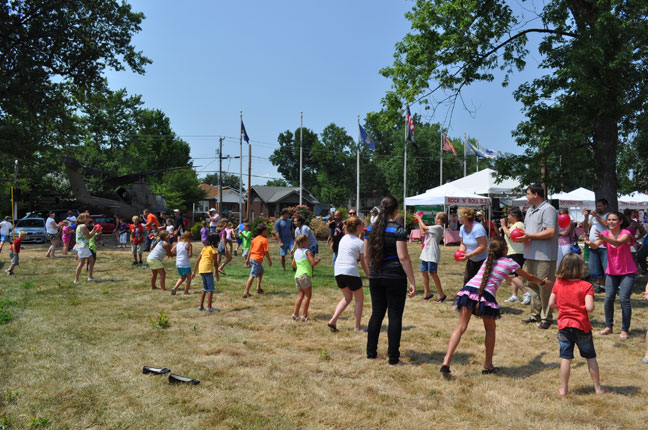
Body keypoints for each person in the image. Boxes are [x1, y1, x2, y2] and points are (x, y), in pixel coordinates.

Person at [440, 237, 550, 375]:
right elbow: (529, 277)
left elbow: (496, 274)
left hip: (468, 291)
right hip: (485, 295)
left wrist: (507, 277)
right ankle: (488, 364)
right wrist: (543, 283)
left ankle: (446, 361)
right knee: (490, 329)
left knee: (460, 327)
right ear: (505, 250)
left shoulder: (488, 259)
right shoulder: (510, 262)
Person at [364, 195, 416, 366]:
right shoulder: (398, 230)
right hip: (395, 277)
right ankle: (393, 358)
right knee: (394, 317)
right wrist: (412, 281)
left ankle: (371, 353)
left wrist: (369, 272)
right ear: (395, 210)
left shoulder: (369, 230)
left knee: (376, 314)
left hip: (376, 275)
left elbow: (367, 255)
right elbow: (403, 257)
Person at [548, 253, 608, 397]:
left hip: (564, 326)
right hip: (581, 326)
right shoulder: (586, 286)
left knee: (566, 358)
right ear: (580, 269)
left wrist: (562, 308)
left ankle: (563, 389)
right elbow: (589, 307)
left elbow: (551, 304)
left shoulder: (558, 283)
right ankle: (598, 388)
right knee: (590, 357)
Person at [585, 211, 637, 339]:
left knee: (624, 299)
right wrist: (589, 242)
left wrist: (604, 238)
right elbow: (596, 246)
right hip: (612, 271)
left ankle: (625, 329)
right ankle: (609, 327)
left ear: (620, 221)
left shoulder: (626, 233)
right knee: (608, 299)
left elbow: (617, 242)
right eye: (609, 220)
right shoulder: (605, 234)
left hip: (628, 271)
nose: (611, 222)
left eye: (614, 220)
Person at [520, 184, 558, 330]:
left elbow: (550, 232)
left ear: (536, 195)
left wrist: (529, 236)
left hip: (545, 255)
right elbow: (527, 230)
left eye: (528, 194)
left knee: (545, 285)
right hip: (530, 253)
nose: (526, 196)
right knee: (532, 284)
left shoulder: (548, 209)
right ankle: (535, 314)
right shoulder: (530, 210)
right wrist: (522, 236)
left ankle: (546, 317)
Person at [328, 215, 370, 332]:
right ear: (357, 227)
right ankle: (357, 327)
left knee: (347, 297)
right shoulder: (359, 243)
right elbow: (363, 262)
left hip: (338, 271)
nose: (363, 226)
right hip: (351, 272)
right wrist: (369, 276)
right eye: (362, 225)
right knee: (359, 300)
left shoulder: (343, 238)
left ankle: (333, 320)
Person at [500, 208, 531, 305]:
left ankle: (526, 293)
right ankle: (514, 295)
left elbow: (510, 235)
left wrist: (504, 226)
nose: (507, 217)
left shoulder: (519, 225)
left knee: (512, 275)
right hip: (512, 252)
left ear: (514, 216)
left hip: (517, 253)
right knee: (514, 275)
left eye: (509, 215)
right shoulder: (514, 225)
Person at [416, 211, 448, 302]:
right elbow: (423, 231)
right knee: (424, 272)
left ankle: (441, 294)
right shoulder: (435, 228)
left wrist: (419, 218)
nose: (435, 219)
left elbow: (425, 227)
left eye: (436, 217)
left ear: (439, 219)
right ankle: (427, 293)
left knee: (433, 273)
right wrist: (419, 220)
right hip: (426, 253)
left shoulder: (438, 227)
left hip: (432, 253)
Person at [291, 234, 321, 322]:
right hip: (305, 275)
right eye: (307, 240)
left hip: (297, 275)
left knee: (300, 295)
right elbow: (313, 263)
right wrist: (318, 260)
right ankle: (304, 315)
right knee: (308, 296)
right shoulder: (307, 251)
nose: (308, 242)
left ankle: (295, 314)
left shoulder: (296, 251)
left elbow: (293, 264)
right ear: (304, 242)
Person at [584, 199, 610, 293]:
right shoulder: (594, 217)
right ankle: (602, 286)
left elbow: (606, 224)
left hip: (604, 245)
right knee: (596, 268)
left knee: (606, 268)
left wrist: (595, 215)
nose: (598, 208)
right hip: (593, 245)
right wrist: (586, 217)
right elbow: (586, 227)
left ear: (606, 205)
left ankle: (610, 286)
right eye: (597, 206)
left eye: (600, 206)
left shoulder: (609, 215)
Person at [457, 207, 488, 285]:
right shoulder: (462, 228)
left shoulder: (478, 228)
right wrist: (461, 252)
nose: (458, 218)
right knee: (467, 282)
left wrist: (468, 255)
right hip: (471, 259)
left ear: (464, 218)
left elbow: (482, 246)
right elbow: (463, 243)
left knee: (481, 283)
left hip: (483, 260)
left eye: (459, 216)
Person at [192, 233, 220, 312]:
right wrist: (217, 273)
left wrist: (194, 271)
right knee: (211, 289)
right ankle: (209, 307)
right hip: (208, 269)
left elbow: (198, 260)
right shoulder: (214, 249)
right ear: (216, 241)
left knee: (205, 288)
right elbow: (215, 263)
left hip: (201, 268)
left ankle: (201, 306)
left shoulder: (205, 248)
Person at [243, 224, 272, 298]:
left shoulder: (255, 239)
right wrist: (269, 261)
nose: (267, 231)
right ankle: (246, 292)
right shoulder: (264, 240)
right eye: (266, 230)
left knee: (261, 271)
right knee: (252, 275)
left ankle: (258, 288)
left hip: (252, 258)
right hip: (257, 260)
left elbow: (250, 250)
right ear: (263, 231)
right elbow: (266, 252)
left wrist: (247, 259)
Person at [73, 214, 98, 283]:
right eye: (88, 218)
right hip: (83, 247)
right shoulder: (83, 226)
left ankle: (89, 277)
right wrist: (96, 230)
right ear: (84, 219)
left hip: (83, 247)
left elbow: (88, 234)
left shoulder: (80, 226)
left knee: (90, 260)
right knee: (82, 263)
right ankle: (76, 280)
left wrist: (93, 229)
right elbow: (89, 236)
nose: (89, 219)